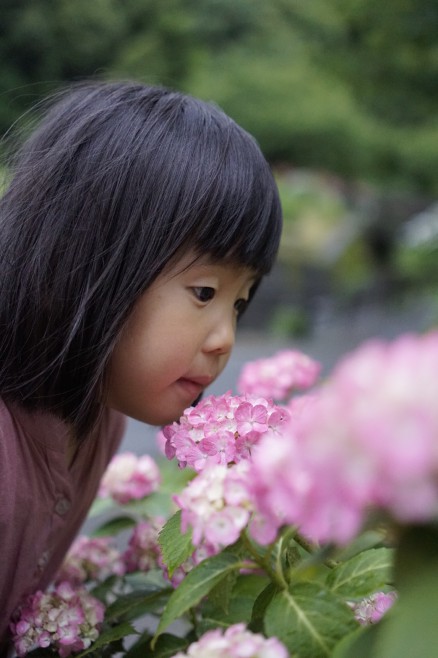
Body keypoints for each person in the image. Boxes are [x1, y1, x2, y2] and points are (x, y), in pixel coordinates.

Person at [0, 80, 282, 647]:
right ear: (86, 259)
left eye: (240, 301)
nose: (225, 337)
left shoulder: (101, 418)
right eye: (205, 292)